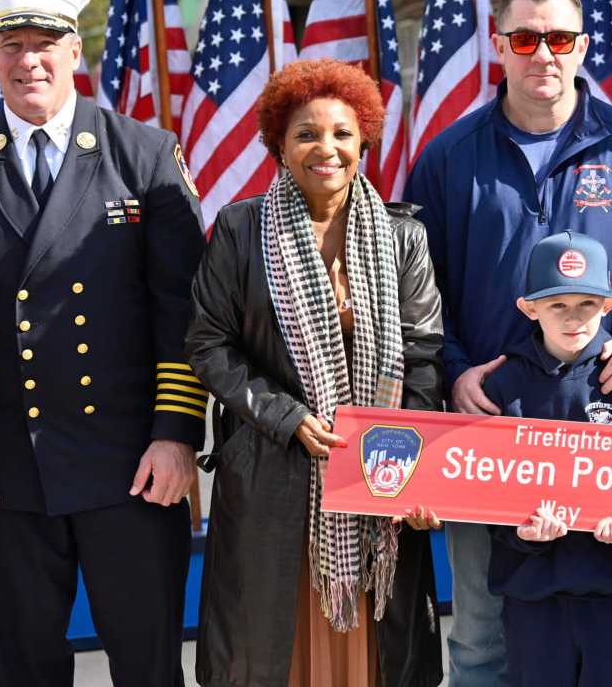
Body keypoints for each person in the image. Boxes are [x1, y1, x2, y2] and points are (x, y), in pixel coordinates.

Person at [404, 0, 612, 686]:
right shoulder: (449, 160)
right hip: (492, 436)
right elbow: (415, 292)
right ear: (499, 47)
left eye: (560, 37)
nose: (544, 52)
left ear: (583, 48)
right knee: (483, 635)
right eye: (526, 37)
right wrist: (454, 370)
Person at [0, 0, 206, 686]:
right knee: (24, 671)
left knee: (148, 669)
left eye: (46, 43)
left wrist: (176, 434)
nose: (30, 60)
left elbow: (182, 310)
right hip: (6, 476)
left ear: (75, 50)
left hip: (132, 467)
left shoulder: (143, 154)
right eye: (12, 44)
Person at [185, 59, 444, 687]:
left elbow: (424, 356)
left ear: (364, 142)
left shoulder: (403, 236)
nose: (325, 149)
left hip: (378, 481)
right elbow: (208, 344)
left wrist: (408, 465)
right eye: (306, 134)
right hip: (273, 483)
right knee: (272, 654)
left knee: (380, 655)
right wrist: (288, 416)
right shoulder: (241, 230)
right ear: (279, 143)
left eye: (342, 134)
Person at [484, 231, 612, 686]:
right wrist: (519, 531)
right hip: (530, 589)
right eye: (558, 305)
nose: (573, 317)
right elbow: (481, 485)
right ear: (529, 308)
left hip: (608, 584)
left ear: (609, 305)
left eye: (587, 303)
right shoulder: (503, 386)